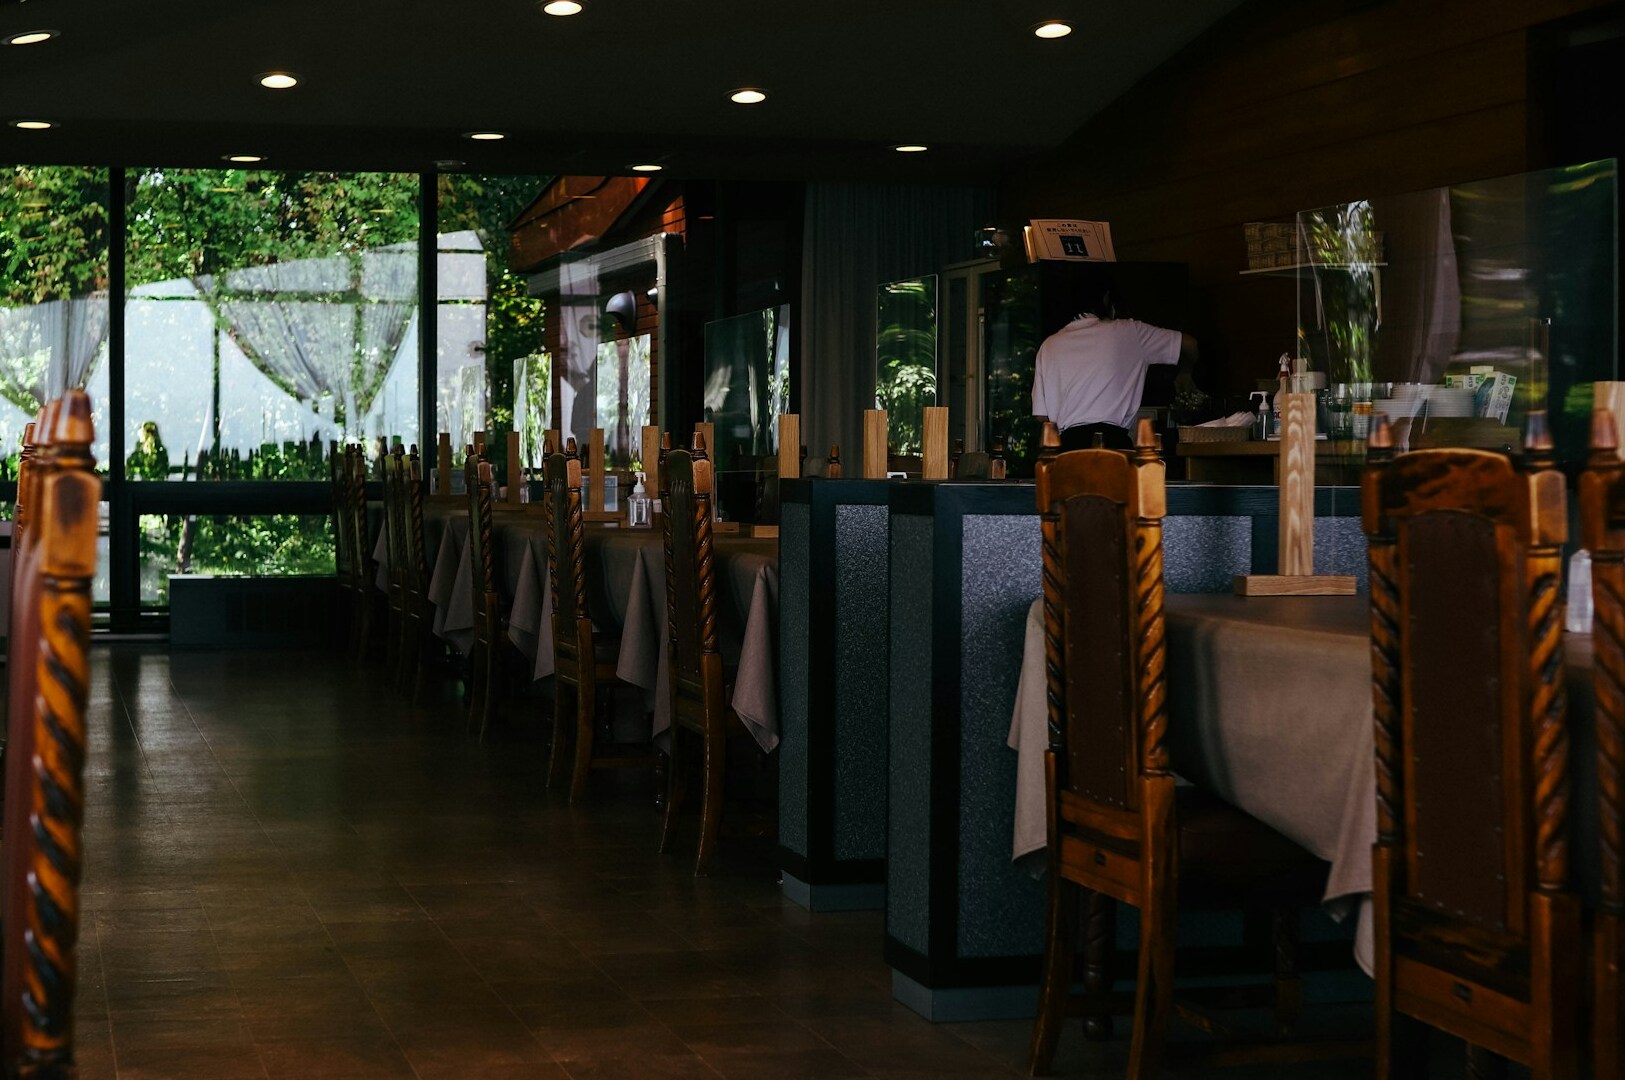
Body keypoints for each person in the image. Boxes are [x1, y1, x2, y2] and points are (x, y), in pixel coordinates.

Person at [1031, 288, 1199, 451]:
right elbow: (1190, 345)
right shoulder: (1131, 332)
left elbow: (1042, 416)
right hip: (1114, 446)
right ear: (1106, 298)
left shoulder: (1049, 345)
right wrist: (1185, 372)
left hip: (1068, 450)